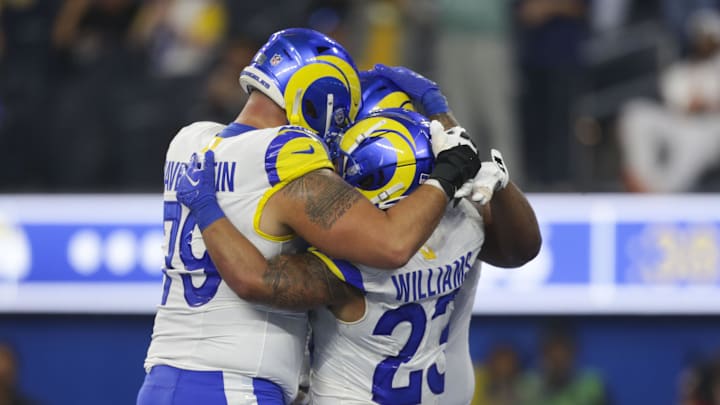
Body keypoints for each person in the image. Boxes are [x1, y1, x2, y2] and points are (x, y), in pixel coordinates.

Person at [137, 28, 481, 405]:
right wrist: (446, 172)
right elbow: (391, 244)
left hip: (162, 376)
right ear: (317, 93)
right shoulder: (287, 151)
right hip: (236, 384)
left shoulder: (189, 141)